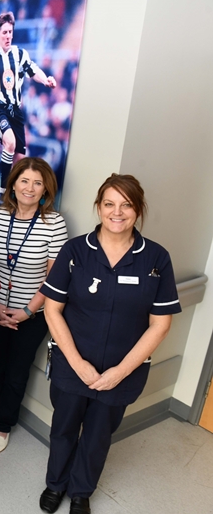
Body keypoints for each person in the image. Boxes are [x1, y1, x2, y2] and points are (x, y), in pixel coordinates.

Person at [37, 174, 180, 514]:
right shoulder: (75, 251)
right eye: (109, 204)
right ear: (99, 208)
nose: (117, 212)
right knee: (64, 428)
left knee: (99, 435)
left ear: (138, 209)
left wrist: (119, 372)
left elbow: (160, 324)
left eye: (126, 205)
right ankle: (55, 484)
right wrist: (77, 362)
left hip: (123, 371)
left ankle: (81, 491)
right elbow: (52, 310)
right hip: (73, 366)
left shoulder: (156, 259)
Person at [0, 158, 68, 454]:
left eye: (38, 183)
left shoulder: (54, 223)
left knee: (17, 371)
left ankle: (3, 424)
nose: (30, 188)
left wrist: (27, 311)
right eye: (24, 181)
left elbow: (54, 277)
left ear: (46, 190)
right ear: (13, 184)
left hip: (33, 314)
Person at [0, 12, 57, 203]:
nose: (8, 36)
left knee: (20, 159)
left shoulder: (20, 54)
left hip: (16, 111)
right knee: (10, 142)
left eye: (10, 32)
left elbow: (34, 70)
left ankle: (13, 193)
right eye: (4, 32)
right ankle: (2, 191)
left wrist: (46, 79)